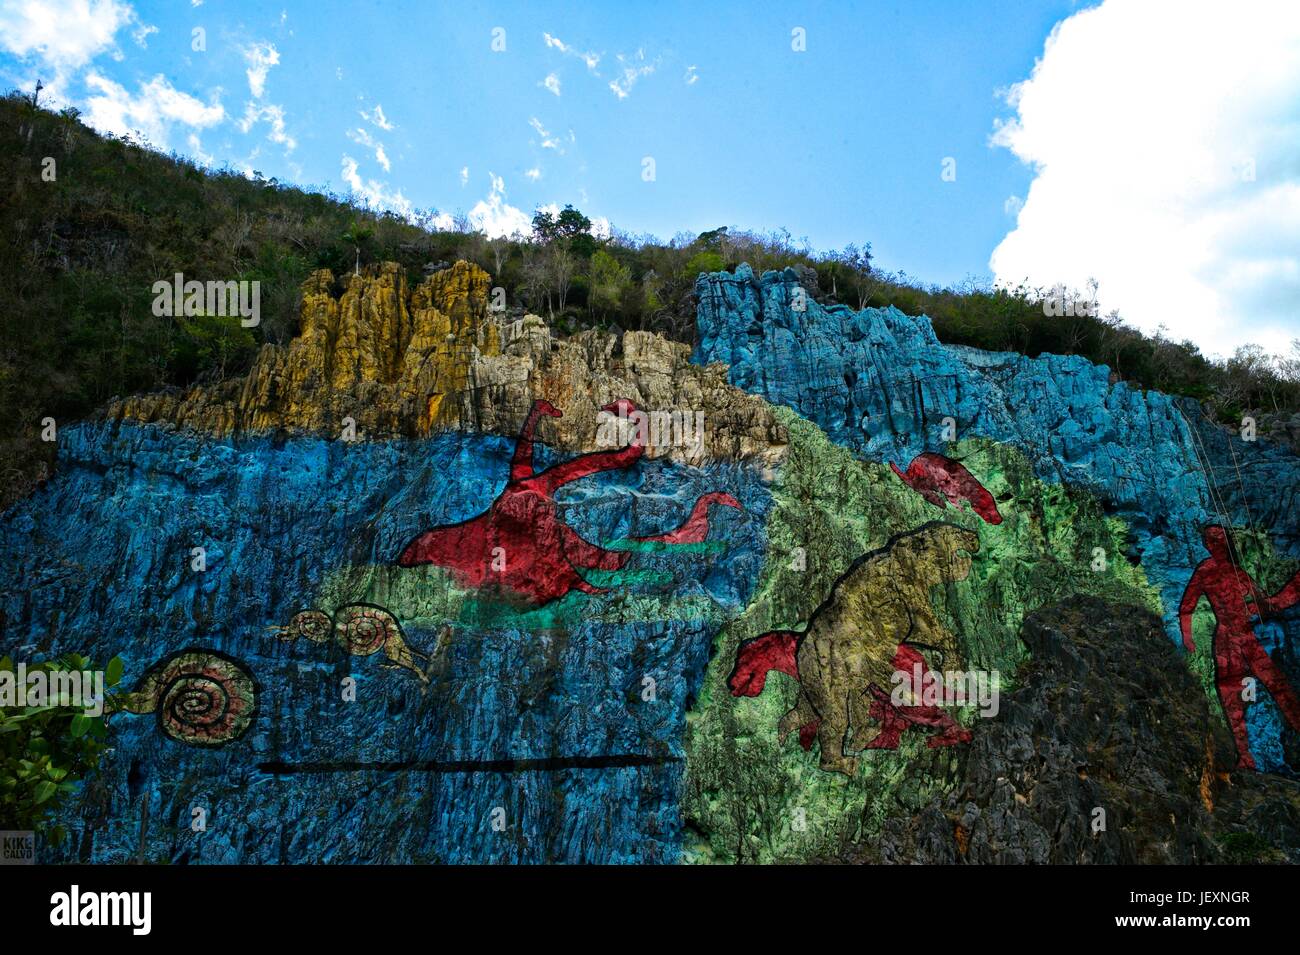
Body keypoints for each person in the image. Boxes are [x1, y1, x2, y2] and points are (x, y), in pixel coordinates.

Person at [1179, 525, 1300, 769]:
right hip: (1227, 640)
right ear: (1207, 544)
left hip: (1248, 636)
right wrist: (1187, 637)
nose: (1217, 544)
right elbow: (1187, 605)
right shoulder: (1205, 570)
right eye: (1212, 540)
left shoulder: (1238, 573)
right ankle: (1244, 757)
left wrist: (1264, 605)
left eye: (1221, 539)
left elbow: (1262, 602)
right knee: (1231, 696)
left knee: (1277, 683)